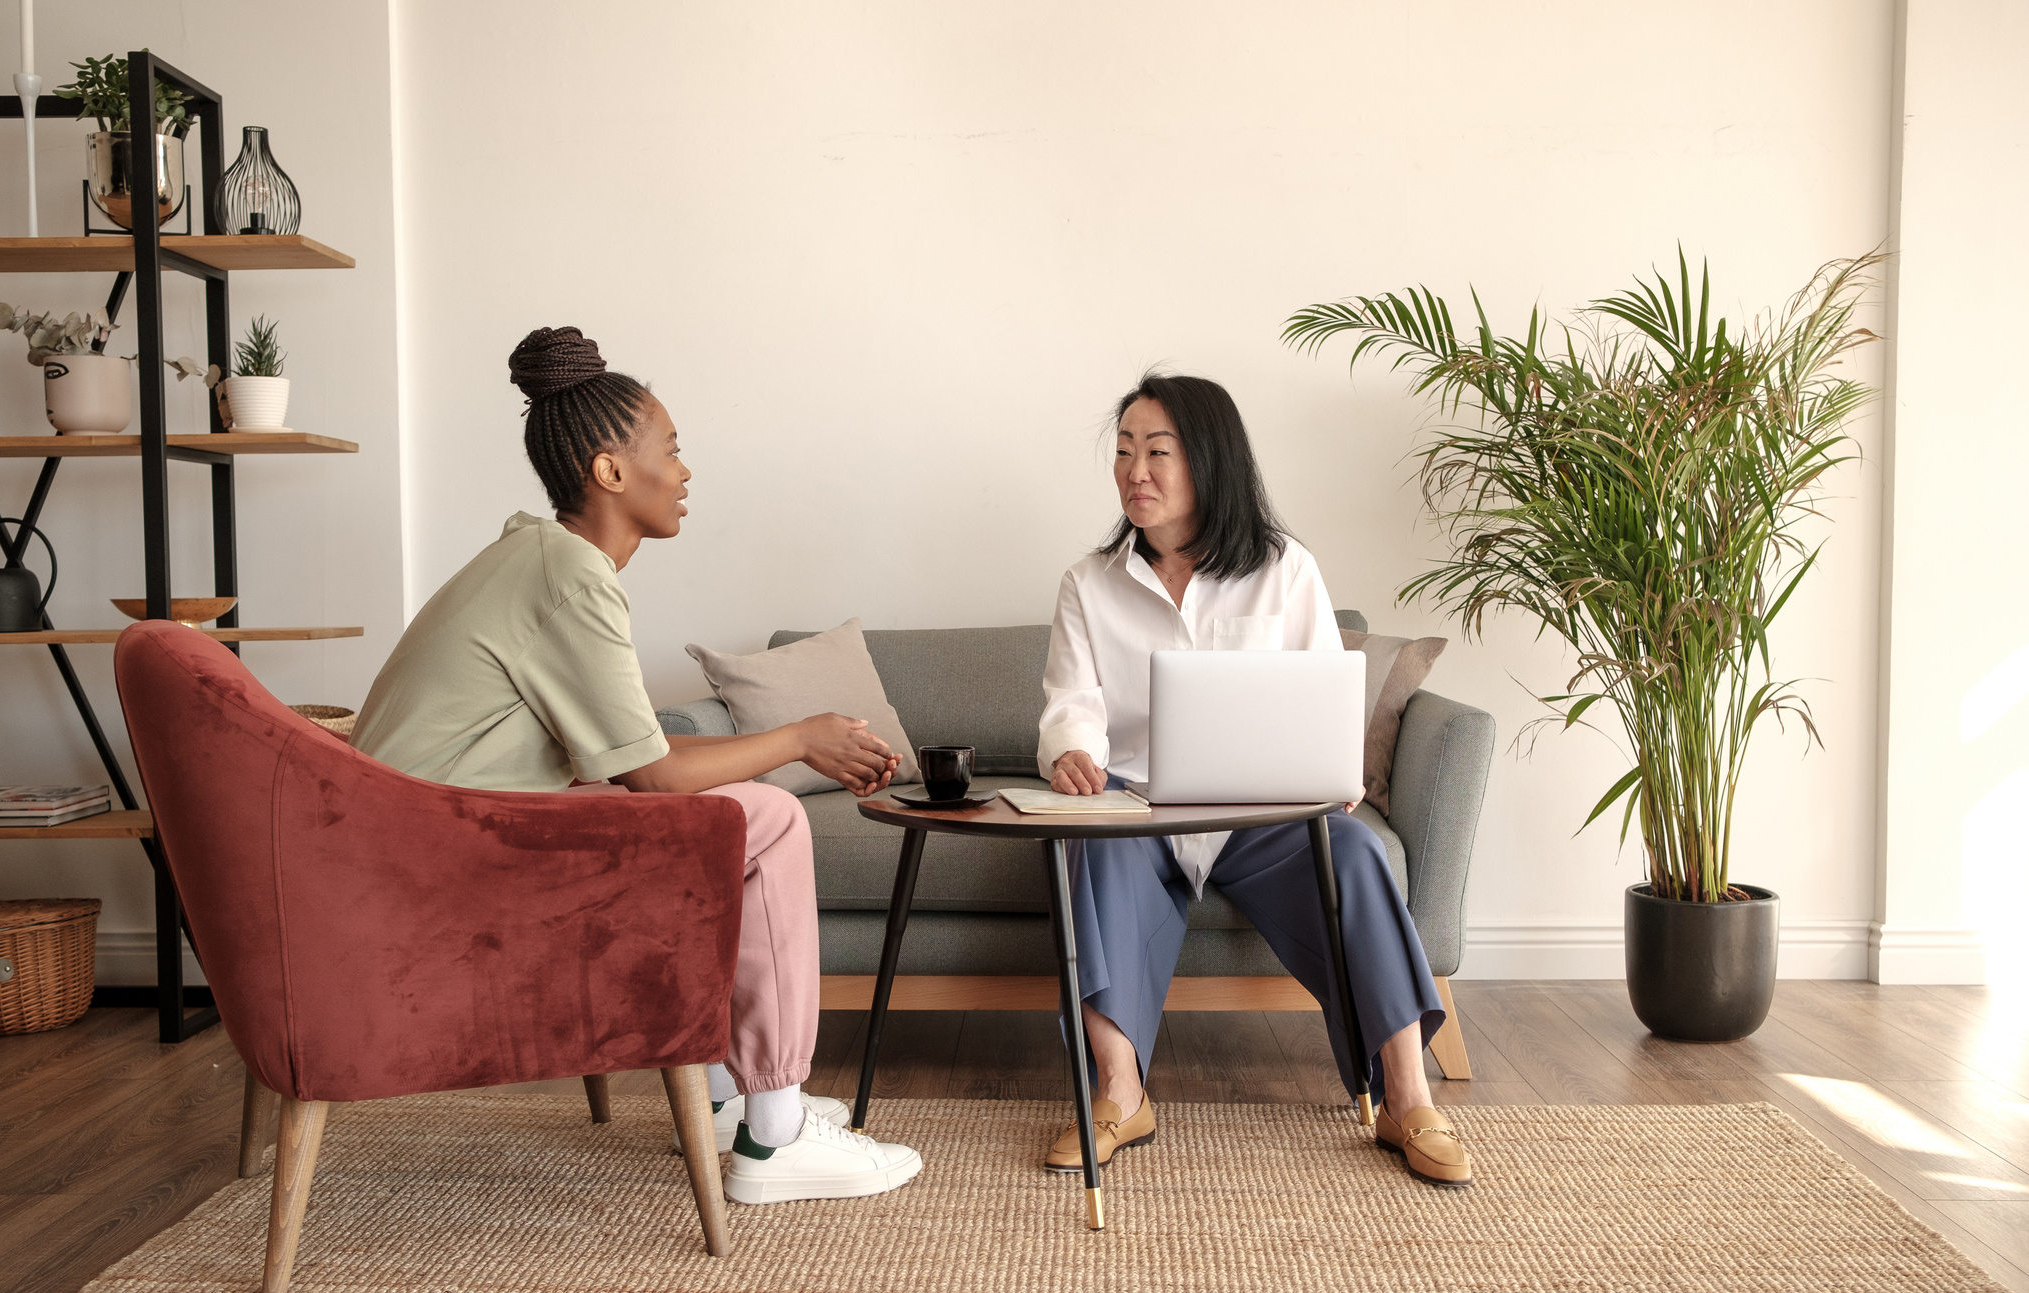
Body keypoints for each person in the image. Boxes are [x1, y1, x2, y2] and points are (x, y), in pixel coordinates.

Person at [352, 325, 923, 1205]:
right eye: (673, 449)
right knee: (763, 816)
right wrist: (798, 738)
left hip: (425, 846)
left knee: (734, 803)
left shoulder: (542, 561)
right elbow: (654, 780)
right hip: (437, 872)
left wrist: (792, 741)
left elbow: (638, 760)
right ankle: (773, 1137)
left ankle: (736, 1101)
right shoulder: (568, 575)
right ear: (611, 471)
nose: (687, 472)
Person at [1035, 373, 1473, 1188]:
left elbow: (1322, 697)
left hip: (1257, 816)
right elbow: (1071, 707)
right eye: (1125, 451)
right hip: (1137, 810)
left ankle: (1408, 1098)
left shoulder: (1285, 569)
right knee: (1082, 843)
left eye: (1157, 452)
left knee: (1355, 852)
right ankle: (1119, 1094)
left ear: (1209, 461)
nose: (1136, 470)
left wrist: (1331, 767)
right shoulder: (1087, 583)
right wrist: (1070, 752)